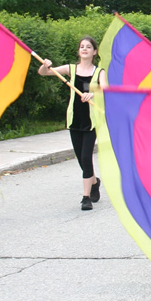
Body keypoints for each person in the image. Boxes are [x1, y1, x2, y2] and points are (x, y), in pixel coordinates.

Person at [38, 37, 108, 211]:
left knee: (86, 157)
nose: (84, 49)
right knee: (81, 159)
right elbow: (44, 73)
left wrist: (94, 94)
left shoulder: (99, 72)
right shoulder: (71, 69)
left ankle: (86, 198)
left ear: (94, 52)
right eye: (82, 47)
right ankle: (94, 182)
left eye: (88, 47)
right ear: (79, 51)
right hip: (74, 119)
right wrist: (45, 65)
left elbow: (107, 90)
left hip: (91, 121)